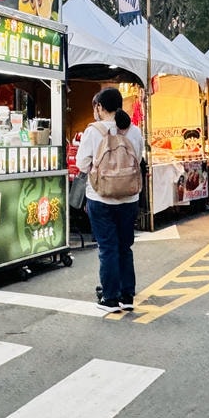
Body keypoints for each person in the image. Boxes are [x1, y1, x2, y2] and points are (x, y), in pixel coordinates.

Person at [76, 86, 143, 313]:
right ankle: (127, 296)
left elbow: (82, 164)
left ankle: (110, 298)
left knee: (107, 248)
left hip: (101, 197)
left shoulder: (93, 131)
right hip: (129, 198)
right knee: (125, 247)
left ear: (100, 107)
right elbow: (139, 159)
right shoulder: (134, 131)